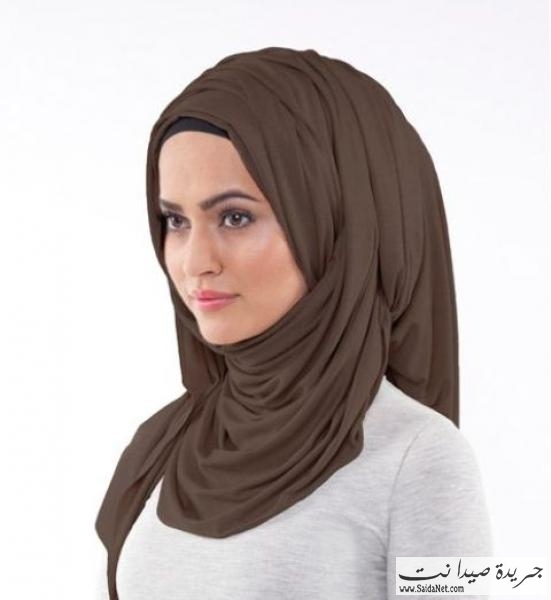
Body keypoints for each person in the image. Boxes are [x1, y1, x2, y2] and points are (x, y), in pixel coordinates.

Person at [95, 47, 493, 600]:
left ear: (337, 224)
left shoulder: (421, 456)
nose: (194, 261)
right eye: (175, 221)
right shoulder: (163, 444)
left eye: (235, 217)